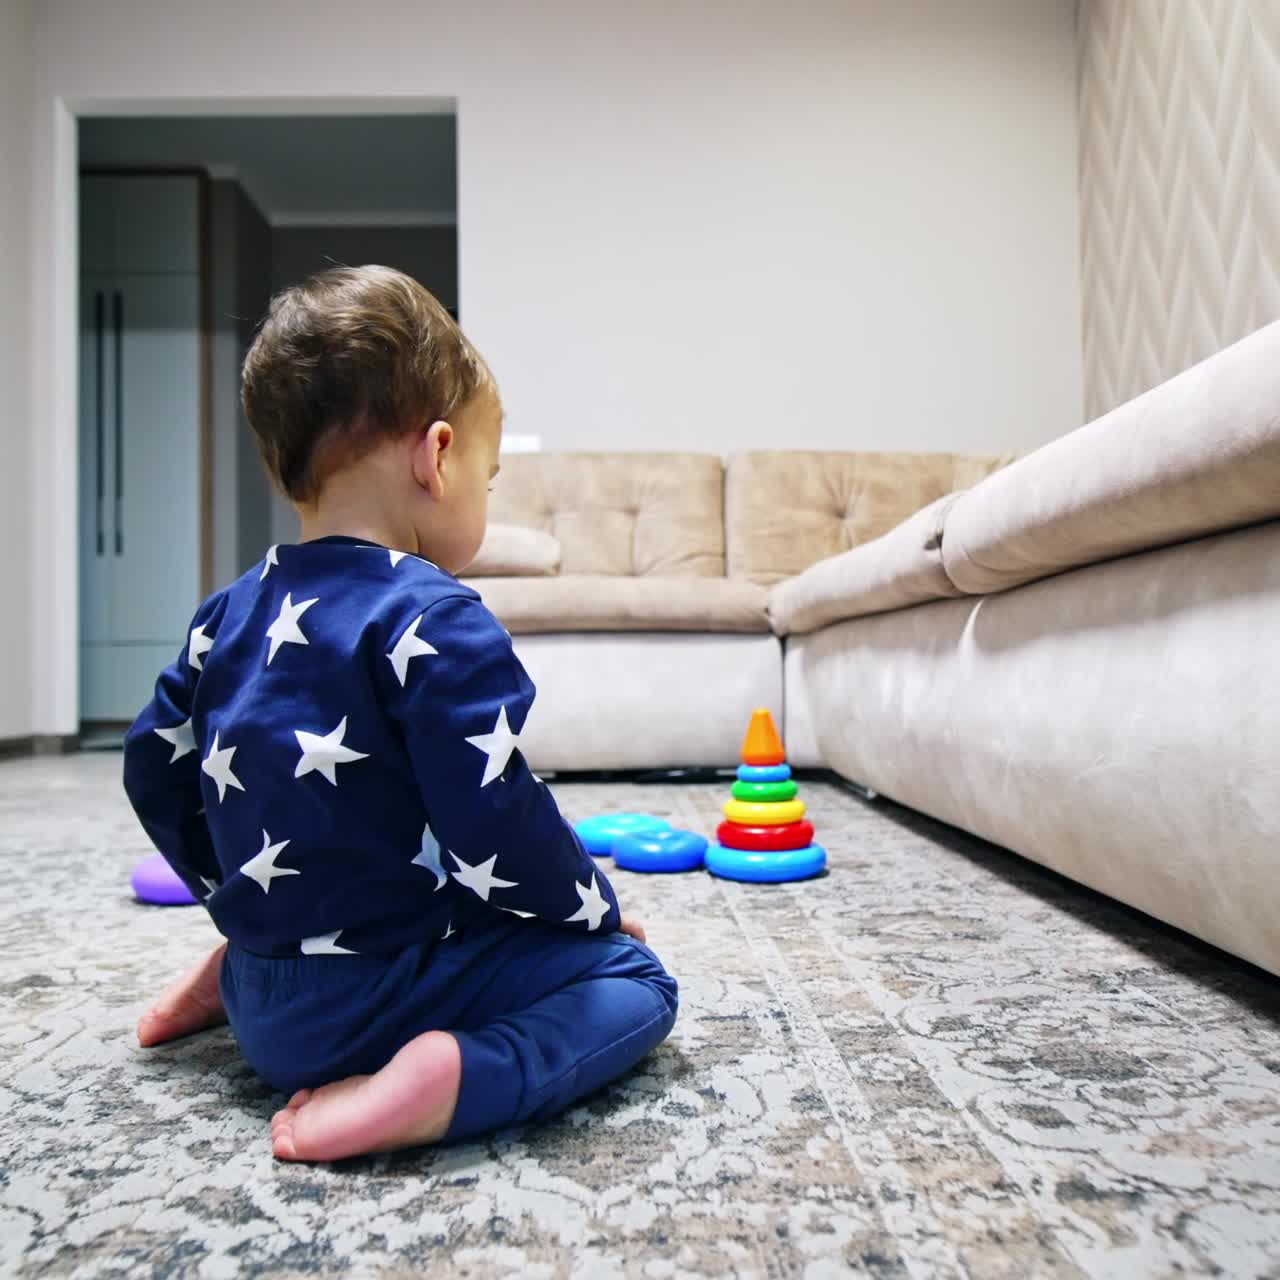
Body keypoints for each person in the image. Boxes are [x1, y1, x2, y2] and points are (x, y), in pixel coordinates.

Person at [122, 265, 678, 1162]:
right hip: (373, 1008)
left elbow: (152, 762)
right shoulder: (436, 614)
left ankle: (234, 975)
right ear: (438, 456)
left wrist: (240, 910)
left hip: (272, 1005)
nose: (484, 504)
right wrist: (593, 911)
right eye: (489, 480)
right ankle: (437, 1084)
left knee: (378, 876)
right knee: (636, 983)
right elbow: (495, 824)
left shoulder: (225, 614)